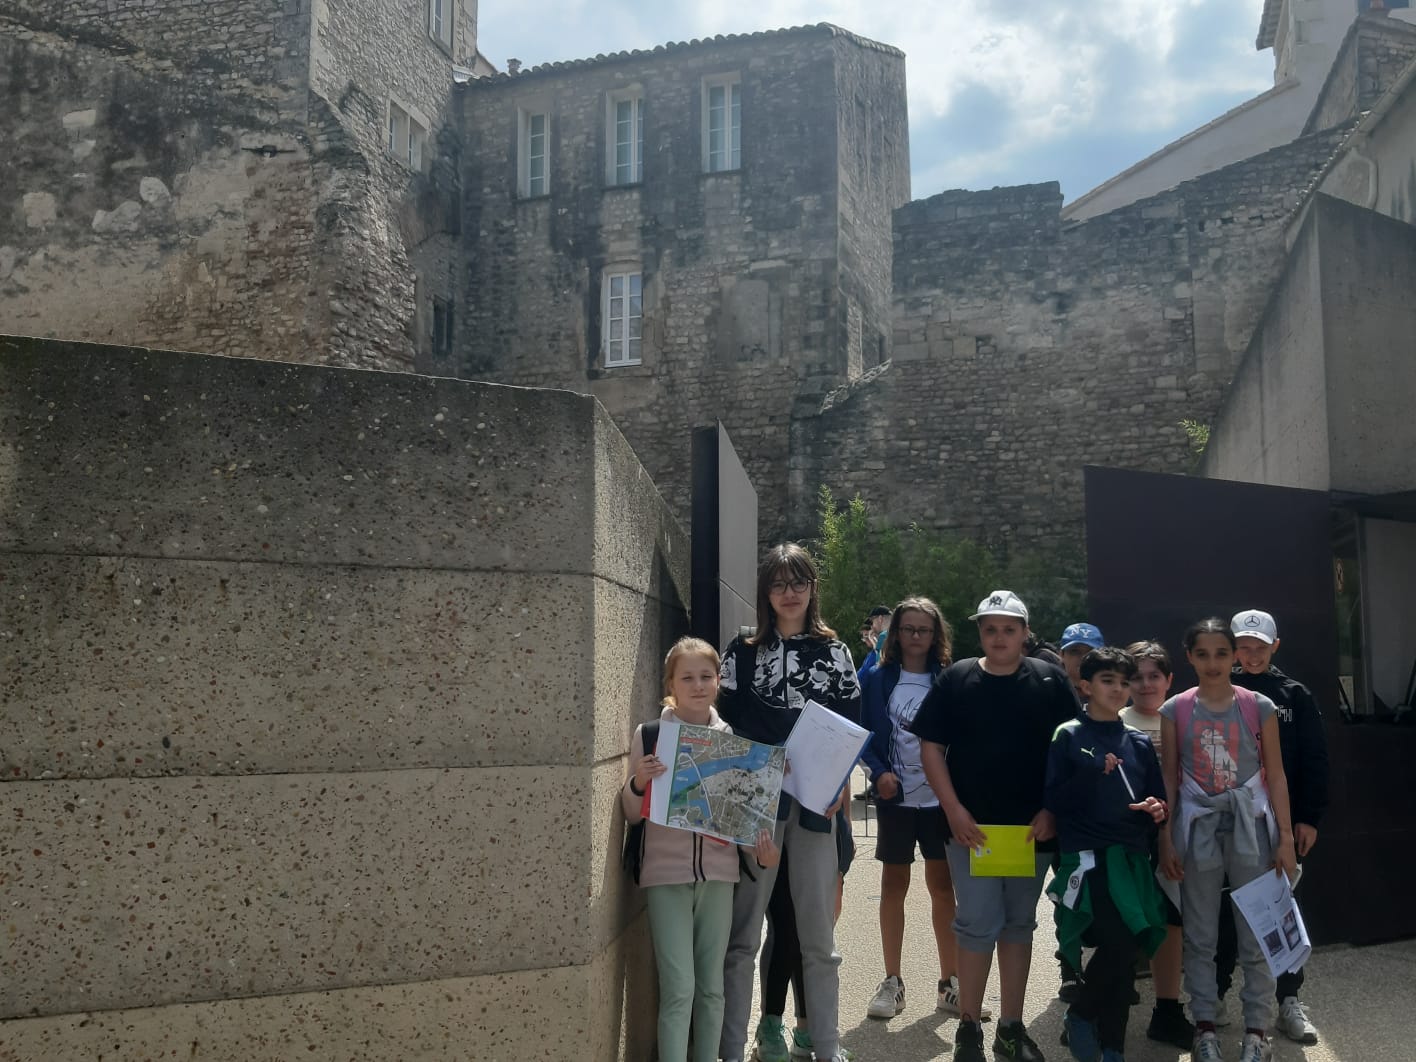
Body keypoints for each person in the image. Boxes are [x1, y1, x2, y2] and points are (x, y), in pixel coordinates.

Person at [911, 590, 1081, 1062]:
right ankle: (968, 1028)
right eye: (990, 629)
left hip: (1030, 833)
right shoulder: (957, 678)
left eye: (1009, 628)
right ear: (979, 632)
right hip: (973, 832)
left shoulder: (1049, 680)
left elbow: (1071, 749)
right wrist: (953, 810)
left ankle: (1010, 1027)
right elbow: (931, 748)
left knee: (1018, 925)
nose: (999, 637)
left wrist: (1052, 810)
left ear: (1025, 632)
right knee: (975, 924)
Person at [716, 544, 862, 1062]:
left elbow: (849, 728)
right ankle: (731, 1049)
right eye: (778, 584)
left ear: (812, 588)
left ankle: (827, 1046)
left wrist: (838, 785)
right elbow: (725, 726)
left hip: (816, 807)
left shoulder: (836, 653)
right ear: (765, 593)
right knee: (743, 936)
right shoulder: (741, 651)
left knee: (818, 937)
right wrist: (764, 763)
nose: (789, 593)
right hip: (756, 803)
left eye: (798, 582)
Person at [622, 637, 779, 1062]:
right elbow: (632, 814)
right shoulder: (651, 736)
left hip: (718, 876)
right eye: (687, 677)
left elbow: (743, 821)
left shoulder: (734, 743)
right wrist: (639, 781)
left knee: (711, 988)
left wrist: (762, 854)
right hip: (665, 876)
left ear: (718, 682)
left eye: (706, 676)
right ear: (670, 684)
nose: (697, 685)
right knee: (679, 988)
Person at [1157, 618, 1298, 1062]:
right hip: (1198, 826)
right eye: (1203, 654)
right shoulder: (1175, 709)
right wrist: (1166, 838)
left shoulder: (1258, 706)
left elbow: (1276, 774)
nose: (1213, 662)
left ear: (1234, 655)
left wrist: (1285, 837)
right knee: (1200, 934)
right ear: (1189, 657)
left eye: (1221, 653)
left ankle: (1257, 1030)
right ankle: (1204, 1025)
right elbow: (1169, 779)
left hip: (1250, 825)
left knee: (1258, 930)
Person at [859, 598, 992, 1024]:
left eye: (924, 630)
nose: (916, 636)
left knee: (943, 888)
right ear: (895, 633)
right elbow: (862, 731)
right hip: (895, 800)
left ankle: (949, 984)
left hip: (940, 802)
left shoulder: (949, 678)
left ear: (936, 636)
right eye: (908, 629)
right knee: (893, 884)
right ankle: (892, 981)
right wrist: (878, 772)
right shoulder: (876, 677)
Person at [1046, 647, 1170, 1062]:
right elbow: (1055, 802)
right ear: (1085, 686)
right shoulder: (1068, 735)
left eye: (1124, 681)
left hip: (1131, 857)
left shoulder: (1138, 741)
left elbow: (1158, 800)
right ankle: (1081, 1015)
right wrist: (1090, 772)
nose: (1118, 689)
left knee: (1127, 952)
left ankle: (1114, 1048)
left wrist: (1156, 809)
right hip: (1088, 858)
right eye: (1107, 681)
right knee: (1118, 942)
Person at [1213, 609, 1329, 1045]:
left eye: (1260, 647)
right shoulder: (1215, 691)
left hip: (1280, 824)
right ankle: (1216, 996)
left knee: (1281, 912)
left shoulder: (1293, 695)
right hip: (1229, 823)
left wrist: (1308, 818)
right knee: (1225, 912)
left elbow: (1315, 760)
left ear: (1275, 646)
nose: (1252, 654)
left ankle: (1288, 1002)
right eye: (1243, 646)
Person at [1118, 640, 1192, 1049]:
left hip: (1175, 836)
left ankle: (1167, 1010)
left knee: (1171, 921)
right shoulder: (1114, 720)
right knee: (1121, 921)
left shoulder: (1184, 719)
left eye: (1154, 676)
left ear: (1169, 680)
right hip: (1125, 837)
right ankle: (1103, 1007)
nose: (1146, 684)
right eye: (1136, 677)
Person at [1058, 623, 1106, 700]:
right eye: (1075, 651)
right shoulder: (1049, 693)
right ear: (1061, 655)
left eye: (1091, 652)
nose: (1083, 657)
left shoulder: (1113, 695)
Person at [856, 606, 893, 681]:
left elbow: (879, 666)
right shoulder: (899, 633)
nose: (872, 626)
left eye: (872, 622)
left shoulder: (884, 636)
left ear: (880, 618)